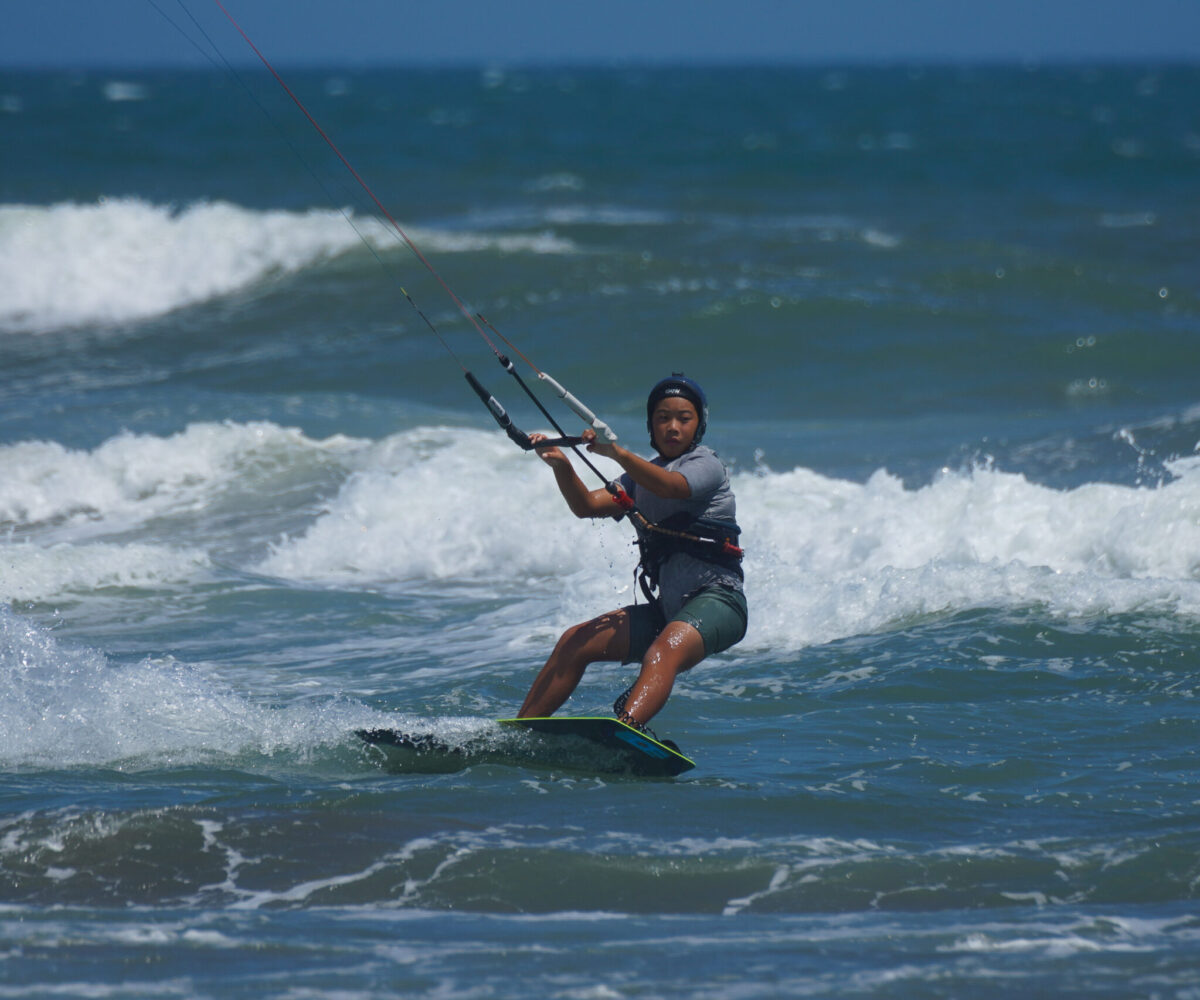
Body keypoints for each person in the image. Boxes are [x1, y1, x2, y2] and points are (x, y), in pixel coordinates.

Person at [517, 374, 747, 731]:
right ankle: (521, 730)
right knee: (576, 641)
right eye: (662, 418)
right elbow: (587, 505)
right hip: (669, 610)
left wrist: (618, 454)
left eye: (684, 419)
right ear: (650, 426)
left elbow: (673, 488)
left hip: (720, 601)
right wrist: (562, 466)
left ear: (699, 425)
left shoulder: (707, 465)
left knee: (662, 652)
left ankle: (627, 732)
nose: (673, 427)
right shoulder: (638, 479)